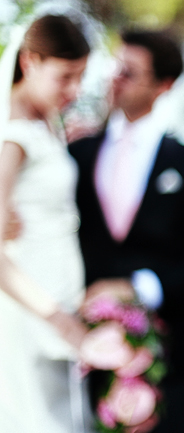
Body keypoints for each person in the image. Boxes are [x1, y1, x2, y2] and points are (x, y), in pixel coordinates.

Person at [68, 29, 184, 433]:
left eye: (129, 72)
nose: (114, 79)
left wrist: (136, 289)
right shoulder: (76, 155)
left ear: (163, 85)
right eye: (115, 69)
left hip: (171, 362)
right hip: (88, 359)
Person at [0, 14, 92, 432]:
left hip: (60, 304)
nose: (74, 91)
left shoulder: (46, 125)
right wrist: (59, 320)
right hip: (31, 313)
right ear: (29, 62)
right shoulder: (14, 136)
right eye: (65, 77)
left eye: (81, 77)